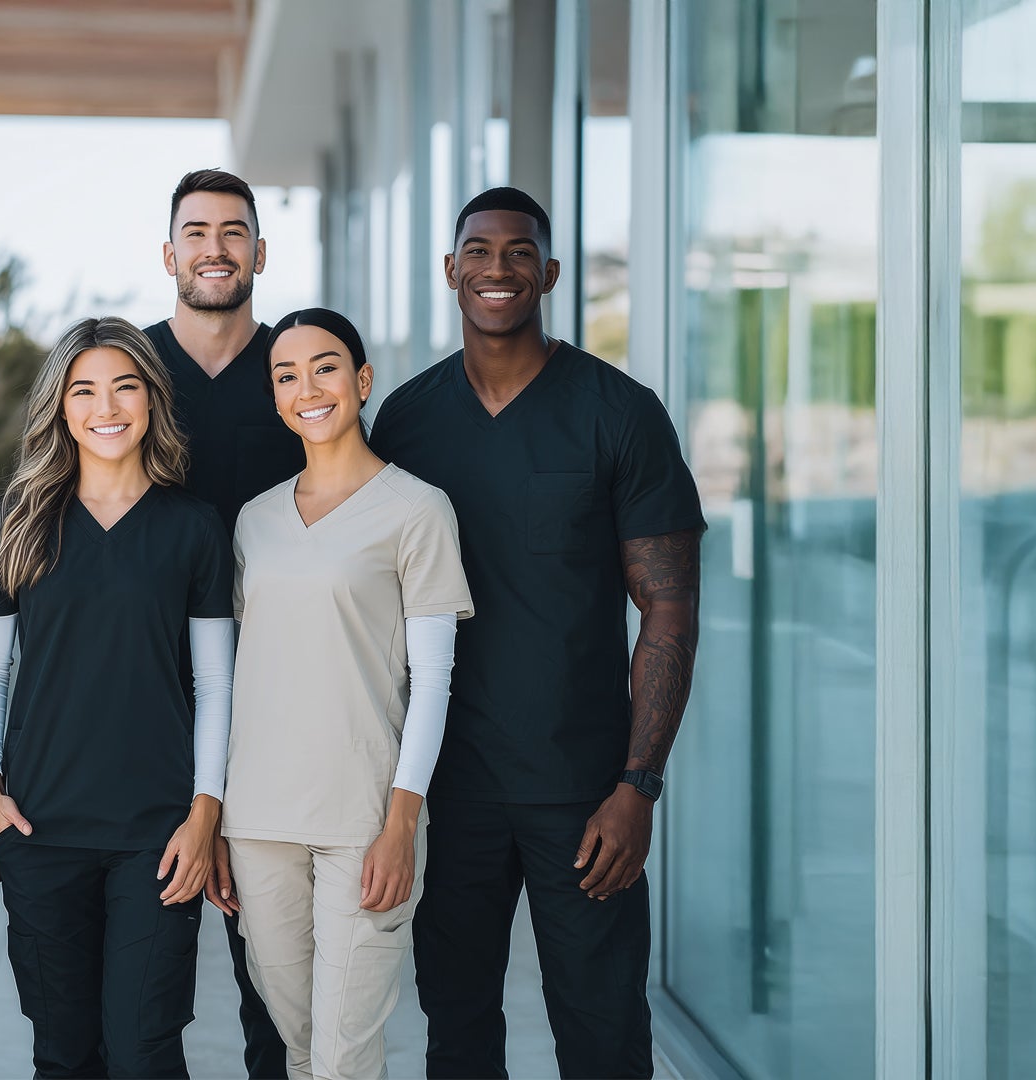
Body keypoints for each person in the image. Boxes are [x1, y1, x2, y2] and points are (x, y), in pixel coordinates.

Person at [371, 187, 706, 1080]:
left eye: (521, 253)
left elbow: (668, 607)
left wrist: (638, 784)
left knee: (601, 1036)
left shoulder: (619, 412)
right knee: (459, 1029)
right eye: (479, 251)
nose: (498, 268)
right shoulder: (405, 421)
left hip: (583, 793)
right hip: (448, 791)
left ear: (550, 273)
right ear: (450, 271)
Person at [0, 316, 237, 1078]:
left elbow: (216, 683)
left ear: (152, 399)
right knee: (63, 1053)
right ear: (60, 407)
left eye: (124, 386)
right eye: (82, 390)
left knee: (144, 1048)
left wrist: (204, 813)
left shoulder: (194, 528)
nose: (105, 406)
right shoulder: (15, 523)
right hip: (40, 830)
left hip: (157, 834)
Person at [221, 308, 473, 1080]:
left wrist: (402, 821)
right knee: (301, 1042)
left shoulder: (417, 509)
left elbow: (434, 680)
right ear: (274, 398)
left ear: (361, 381)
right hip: (259, 818)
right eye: (286, 375)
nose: (308, 387)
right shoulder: (253, 521)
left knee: (341, 1057)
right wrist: (220, 822)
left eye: (325, 367)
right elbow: (238, 672)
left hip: (364, 819)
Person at [144, 167, 305, 1077]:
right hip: (149, 705)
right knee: (143, 987)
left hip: (280, 701)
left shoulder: (296, 366)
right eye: (197, 232)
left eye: (233, 231)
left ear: (259, 252)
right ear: (170, 253)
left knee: (272, 987)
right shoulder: (129, 370)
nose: (215, 247)